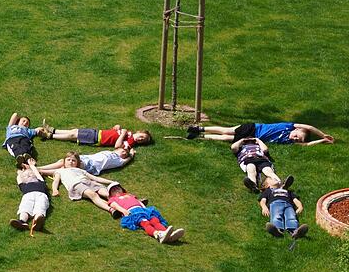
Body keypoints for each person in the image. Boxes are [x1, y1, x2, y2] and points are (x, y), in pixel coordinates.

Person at [40, 151, 116, 215]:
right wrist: (55, 190)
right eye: (68, 160)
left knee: (107, 193)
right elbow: (55, 181)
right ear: (64, 162)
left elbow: (95, 178)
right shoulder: (60, 171)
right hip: (76, 185)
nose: (71, 162)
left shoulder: (81, 170)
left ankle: (119, 204)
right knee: (93, 194)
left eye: (73, 160)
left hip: (88, 182)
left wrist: (111, 182)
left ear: (77, 163)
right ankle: (111, 209)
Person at [106, 183, 185, 244]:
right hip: (132, 212)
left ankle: (167, 233)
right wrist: (123, 211)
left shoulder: (129, 195)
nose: (116, 190)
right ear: (110, 194)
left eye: (118, 188)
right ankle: (157, 234)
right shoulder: (113, 199)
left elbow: (139, 202)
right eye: (113, 190)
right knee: (145, 222)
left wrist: (145, 209)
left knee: (155, 220)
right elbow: (114, 205)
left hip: (142, 210)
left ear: (122, 189)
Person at [186, 122, 334, 145]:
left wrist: (322, 142)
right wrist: (323, 135)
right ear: (296, 129)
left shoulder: (289, 142)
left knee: (226, 139)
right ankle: (200, 129)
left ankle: (199, 136)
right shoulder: (289, 126)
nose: (295, 139)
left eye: (297, 140)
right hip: (253, 129)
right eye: (297, 136)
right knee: (227, 130)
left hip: (253, 138)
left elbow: (307, 144)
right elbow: (309, 126)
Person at [10, 157, 50, 236]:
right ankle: (22, 221)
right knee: (25, 208)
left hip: (41, 195)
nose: (28, 175)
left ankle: (37, 221)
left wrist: (32, 166)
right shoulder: (23, 185)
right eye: (25, 176)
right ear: (23, 179)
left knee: (40, 207)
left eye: (30, 174)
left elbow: (37, 173)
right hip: (28, 196)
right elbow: (19, 179)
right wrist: (20, 173)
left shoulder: (40, 181)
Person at [39, 124, 152, 150]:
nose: (141, 139)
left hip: (97, 139)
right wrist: (116, 128)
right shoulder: (129, 133)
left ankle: (50, 136)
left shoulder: (131, 142)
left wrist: (122, 134)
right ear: (139, 132)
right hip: (98, 132)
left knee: (72, 136)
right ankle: (53, 130)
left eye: (142, 141)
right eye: (142, 136)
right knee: (74, 131)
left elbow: (117, 146)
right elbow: (114, 133)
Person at [38, 148, 134, 176]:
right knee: (62, 162)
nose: (124, 153)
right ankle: (39, 169)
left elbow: (124, 162)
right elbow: (119, 144)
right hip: (86, 158)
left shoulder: (118, 160)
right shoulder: (110, 151)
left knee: (66, 168)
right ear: (117, 149)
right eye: (123, 151)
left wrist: (131, 156)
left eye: (125, 154)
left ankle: (38, 170)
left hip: (91, 166)